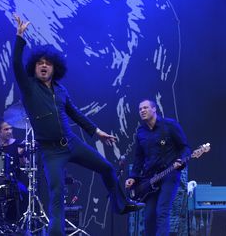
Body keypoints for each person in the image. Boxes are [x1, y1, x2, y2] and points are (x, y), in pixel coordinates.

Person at [13, 14, 144, 236]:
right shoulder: (29, 88)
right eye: (40, 63)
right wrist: (19, 38)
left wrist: (97, 132)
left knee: (107, 168)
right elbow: (16, 64)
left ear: (55, 68)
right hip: (51, 151)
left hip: (71, 143)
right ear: (34, 68)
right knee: (57, 194)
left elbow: (76, 114)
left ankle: (121, 205)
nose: (44, 66)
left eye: (48, 63)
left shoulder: (61, 91)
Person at [125, 99, 191, 236]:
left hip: (169, 174)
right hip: (150, 179)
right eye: (140, 109)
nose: (142, 111)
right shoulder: (141, 132)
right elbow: (138, 158)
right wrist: (132, 176)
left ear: (154, 109)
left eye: (145, 108)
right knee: (149, 216)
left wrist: (181, 161)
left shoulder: (170, 125)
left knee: (162, 211)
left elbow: (185, 148)